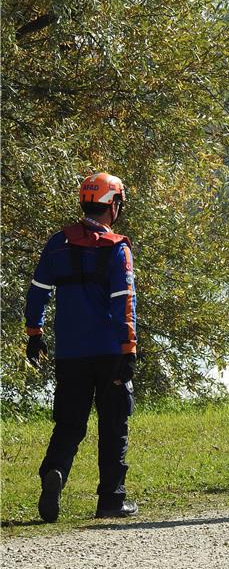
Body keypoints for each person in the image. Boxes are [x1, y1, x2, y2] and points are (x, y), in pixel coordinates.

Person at [25, 172, 139, 522]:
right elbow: (124, 301)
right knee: (114, 423)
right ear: (113, 205)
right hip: (109, 351)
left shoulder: (58, 243)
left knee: (69, 423)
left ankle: (54, 470)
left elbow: (38, 291)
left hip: (70, 353)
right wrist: (129, 347)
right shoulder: (118, 248)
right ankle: (111, 501)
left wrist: (35, 332)